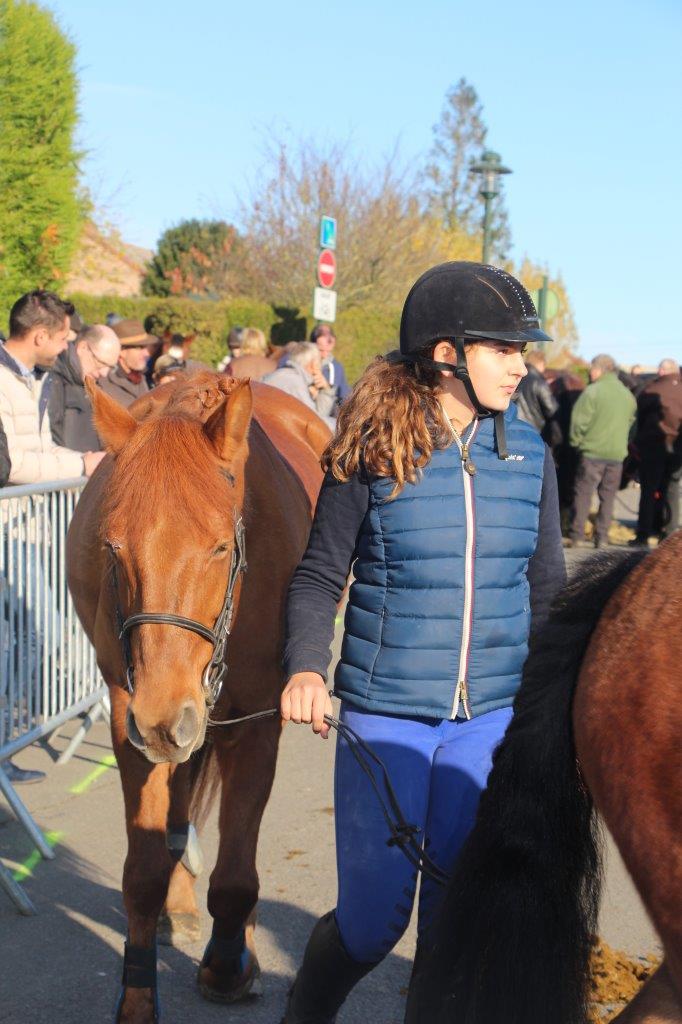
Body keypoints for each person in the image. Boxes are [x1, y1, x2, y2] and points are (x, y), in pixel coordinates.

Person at [278, 262, 565, 1024]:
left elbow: (548, 592)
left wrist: (555, 711)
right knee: (373, 925)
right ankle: (305, 1010)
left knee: (455, 926)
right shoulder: (370, 450)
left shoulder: (530, 455)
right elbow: (316, 578)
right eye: (503, 348)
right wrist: (306, 666)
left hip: (491, 723)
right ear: (448, 354)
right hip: (384, 717)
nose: (520, 364)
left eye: (522, 350)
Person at [0, 290, 105, 483]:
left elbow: (43, 448)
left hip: (32, 508)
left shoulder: (38, 377)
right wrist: (81, 466)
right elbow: (10, 463)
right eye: (63, 339)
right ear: (41, 337)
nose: (66, 347)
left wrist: (88, 460)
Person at [567, 354, 636, 548]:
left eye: (591, 369)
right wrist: (623, 442)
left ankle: (577, 535)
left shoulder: (593, 391)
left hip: (591, 452)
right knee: (608, 496)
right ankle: (602, 537)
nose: (590, 372)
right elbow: (632, 425)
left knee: (583, 494)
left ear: (598, 370)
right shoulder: (627, 395)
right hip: (616, 454)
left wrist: (576, 443)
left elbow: (578, 422)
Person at [631, 358, 682, 544]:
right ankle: (669, 533)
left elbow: (639, 416)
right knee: (672, 490)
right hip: (677, 447)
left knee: (648, 490)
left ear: (662, 371)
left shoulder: (652, 390)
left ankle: (644, 534)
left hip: (653, 445)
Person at [48, 324, 121, 452]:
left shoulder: (91, 383)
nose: (104, 373)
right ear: (83, 348)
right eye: (101, 363)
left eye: (111, 367)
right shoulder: (54, 378)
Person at [263, 342, 337, 430]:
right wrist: (340, 425)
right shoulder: (295, 383)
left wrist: (325, 390)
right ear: (313, 364)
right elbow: (314, 423)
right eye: (319, 362)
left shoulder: (281, 375)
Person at [100, 319, 155, 408]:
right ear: (121, 351)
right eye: (139, 348)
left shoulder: (140, 377)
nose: (146, 353)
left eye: (145, 347)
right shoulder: (104, 382)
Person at [514, 348, 559, 442]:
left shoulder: (516, 379)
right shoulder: (539, 382)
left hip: (513, 431)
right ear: (541, 363)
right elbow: (552, 410)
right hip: (535, 434)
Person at [311, 324, 352, 411]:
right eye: (321, 350)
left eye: (328, 351)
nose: (325, 355)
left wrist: (327, 388)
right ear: (312, 344)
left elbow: (345, 397)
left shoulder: (336, 368)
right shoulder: (301, 359)